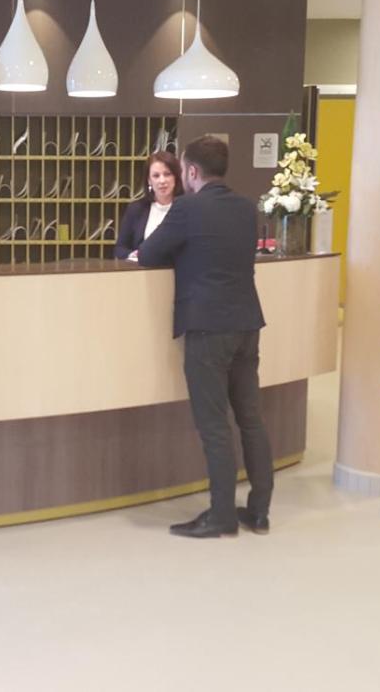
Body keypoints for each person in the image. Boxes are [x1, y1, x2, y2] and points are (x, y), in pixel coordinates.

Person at [137, 136, 272, 539]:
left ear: (191, 171)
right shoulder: (246, 208)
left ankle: (221, 515)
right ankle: (259, 512)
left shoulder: (187, 208)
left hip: (207, 328)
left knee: (214, 425)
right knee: (250, 419)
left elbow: (148, 253)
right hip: (247, 323)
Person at [114, 152, 184, 261]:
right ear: (149, 180)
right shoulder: (137, 208)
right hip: (144, 269)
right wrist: (132, 254)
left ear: (176, 177)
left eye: (167, 174)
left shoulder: (187, 207)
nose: (162, 181)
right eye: (156, 176)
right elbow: (120, 248)